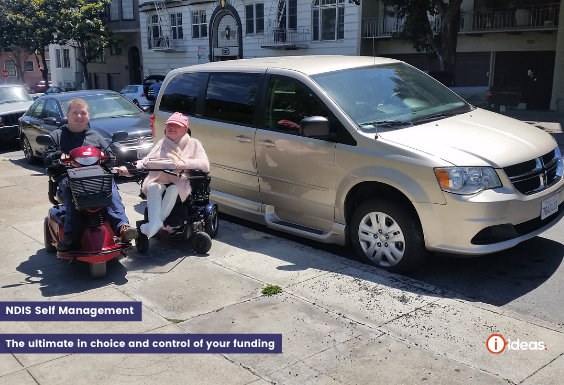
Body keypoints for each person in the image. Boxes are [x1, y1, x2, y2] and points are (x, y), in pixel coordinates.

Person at [43, 98, 138, 251]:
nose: (79, 117)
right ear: (67, 114)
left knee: (112, 189)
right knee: (71, 190)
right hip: (69, 177)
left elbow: (110, 156)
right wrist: (58, 157)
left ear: (88, 116)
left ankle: (123, 228)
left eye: (83, 113)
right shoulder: (57, 136)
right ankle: (69, 234)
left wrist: (105, 156)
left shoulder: (95, 136)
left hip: (97, 176)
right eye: (75, 113)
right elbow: (47, 159)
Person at [115, 112, 210, 239]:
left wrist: (184, 163)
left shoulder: (193, 144)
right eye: (169, 125)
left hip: (180, 181)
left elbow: (204, 165)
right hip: (159, 179)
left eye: (176, 125)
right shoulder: (161, 143)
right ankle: (158, 224)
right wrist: (126, 169)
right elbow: (145, 162)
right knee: (152, 186)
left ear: (185, 129)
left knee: (173, 188)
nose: (171, 127)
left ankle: (152, 225)